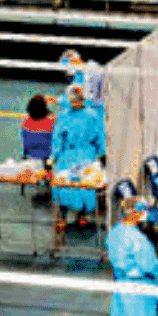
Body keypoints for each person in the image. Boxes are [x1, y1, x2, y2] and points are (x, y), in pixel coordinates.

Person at [105, 196, 158, 316]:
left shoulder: (115, 232)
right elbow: (150, 265)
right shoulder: (137, 239)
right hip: (139, 295)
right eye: (143, 210)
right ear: (135, 213)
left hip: (121, 291)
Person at [50, 85, 106, 231]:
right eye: (73, 100)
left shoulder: (92, 115)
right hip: (67, 153)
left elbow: (99, 135)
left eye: (79, 100)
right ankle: (62, 215)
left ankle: (82, 214)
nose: (76, 103)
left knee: (85, 184)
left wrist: (101, 153)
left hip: (86, 153)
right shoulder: (63, 115)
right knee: (63, 184)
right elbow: (57, 136)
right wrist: (55, 155)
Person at [21, 95, 56, 162]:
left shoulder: (25, 120)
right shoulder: (52, 120)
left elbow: (24, 139)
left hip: (29, 155)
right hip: (46, 157)